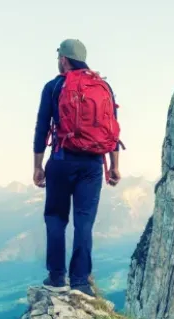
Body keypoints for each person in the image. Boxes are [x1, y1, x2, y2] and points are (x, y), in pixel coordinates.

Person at [33, 38, 122, 296]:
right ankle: (81, 282)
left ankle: (58, 277)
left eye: (58, 57)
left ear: (64, 59)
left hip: (62, 160)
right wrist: (114, 166)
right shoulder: (103, 86)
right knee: (84, 221)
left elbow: (41, 128)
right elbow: (112, 128)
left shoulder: (53, 87)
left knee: (56, 218)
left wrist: (38, 166)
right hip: (93, 163)